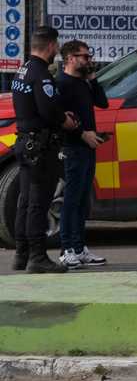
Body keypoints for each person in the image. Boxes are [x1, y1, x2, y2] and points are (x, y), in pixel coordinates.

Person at [11, 25, 78, 273]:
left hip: (25, 142)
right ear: (50, 45)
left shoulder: (23, 69)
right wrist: (66, 121)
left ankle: (21, 254)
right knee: (38, 203)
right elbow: (48, 110)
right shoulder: (41, 73)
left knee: (26, 201)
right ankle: (37, 257)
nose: (57, 50)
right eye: (56, 46)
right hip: (40, 146)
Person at [55, 39, 108, 269]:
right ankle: (66, 249)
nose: (89, 60)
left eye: (89, 56)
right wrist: (81, 134)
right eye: (84, 57)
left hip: (88, 147)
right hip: (72, 147)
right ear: (69, 59)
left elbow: (103, 103)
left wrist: (92, 79)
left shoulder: (83, 82)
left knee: (82, 200)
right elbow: (59, 119)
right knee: (72, 199)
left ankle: (79, 247)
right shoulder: (62, 84)